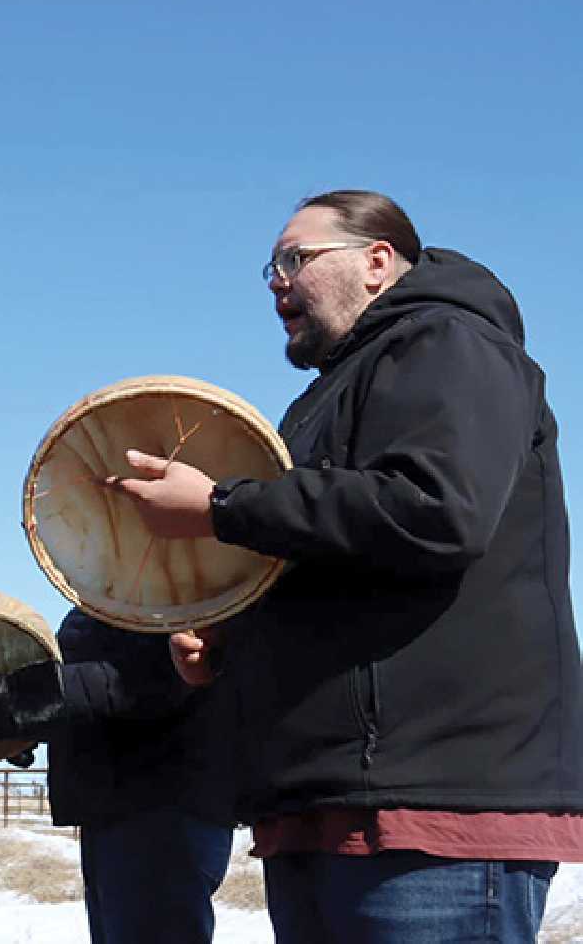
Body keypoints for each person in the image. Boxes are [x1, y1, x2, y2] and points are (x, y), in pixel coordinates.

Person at [109, 190, 583, 941]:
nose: (277, 280)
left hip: (433, 812)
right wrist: (230, 636)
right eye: (270, 266)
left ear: (377, 261)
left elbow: (439, 508)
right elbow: (335, 552)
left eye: (296, 258)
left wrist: (224, 507)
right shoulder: (317, 403)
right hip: (321, 810)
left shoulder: (451, 340)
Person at [0, 608, 234, 943]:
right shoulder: (101, 599)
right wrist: (24, 728)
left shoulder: (169, 586)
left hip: (164, 813)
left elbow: (139, 679)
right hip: (112, 811)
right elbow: (84, 695)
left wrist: (12, 702)